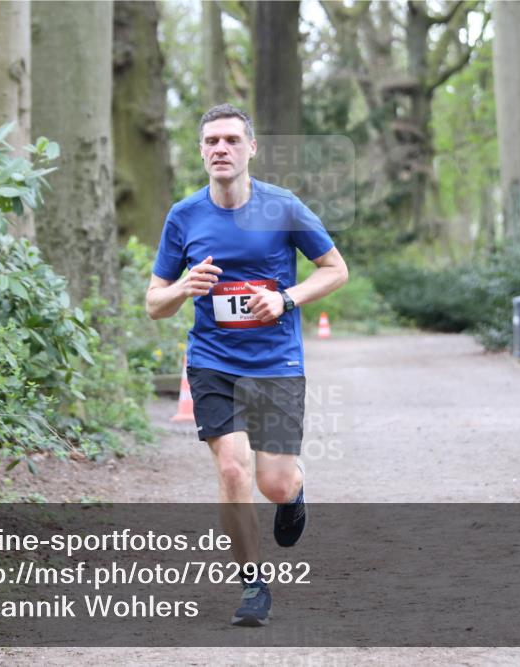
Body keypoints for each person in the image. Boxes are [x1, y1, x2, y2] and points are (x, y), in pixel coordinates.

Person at [145, 104, 348, 626]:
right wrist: (182, 288)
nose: (222, 148)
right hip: (213, 362)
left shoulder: (283, 207)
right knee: (232, 467)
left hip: (276, 361)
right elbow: (154, 303)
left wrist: (286, 298)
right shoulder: (184, 216)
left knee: (273, 483)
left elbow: (335, 269)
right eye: (212, 140)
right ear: (201, 151)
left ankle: (294, 491)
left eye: (232, 140)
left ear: (251, 149)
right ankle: (253, 584)